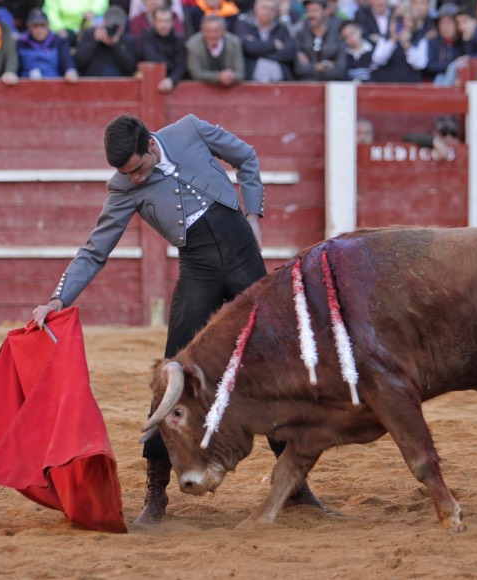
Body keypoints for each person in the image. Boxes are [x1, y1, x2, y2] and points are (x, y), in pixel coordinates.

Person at [30, 114, 324, 525]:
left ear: (151, 145)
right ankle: (156, 491)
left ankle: (295, 487)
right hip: (198, 273)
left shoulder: (190, 130)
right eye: (126, 174)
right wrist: (58, 298)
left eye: (138, 169)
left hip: (245, 261)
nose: (135, 179)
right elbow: (95, 251)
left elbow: (246, 157)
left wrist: (253, 216)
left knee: (271, 366)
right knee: (172, 374)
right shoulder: (123, 187)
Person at [234, 0, 296, 82]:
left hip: (282, 82)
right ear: (255, 8)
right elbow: (248, 48)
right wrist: (274, 45)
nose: (268, 12)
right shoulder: (244, 25)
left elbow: (290, 52)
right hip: (252, 82)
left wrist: (258, 51)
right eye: (264, 8)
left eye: (272, 9)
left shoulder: (281, 27)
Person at [369, 0, 429, 82]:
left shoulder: (420, 39)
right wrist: (393, 40)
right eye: (403, 19)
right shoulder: (386, 37)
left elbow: (421, 64)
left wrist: (407, 45)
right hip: (386, 83)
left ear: (414, 22)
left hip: (410, 84)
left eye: (409, 20)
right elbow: (377, 60)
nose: (406, 23)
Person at [74, 5, 138, 77]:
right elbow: (79, 62)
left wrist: (116, 45)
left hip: (119, 81)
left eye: (116, 28)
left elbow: (131, 67)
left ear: (122, 28)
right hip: (93, 80)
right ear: (103, 23)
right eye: (109, 26)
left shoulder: (128, 40)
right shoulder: (91, 34)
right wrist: (94, 40)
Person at [17, 7, 79, 81]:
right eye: (35, 26)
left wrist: (70, 71)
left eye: (42, 26)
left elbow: (67, 61)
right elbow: (14, 65)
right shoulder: (21, 43)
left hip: (54, 83)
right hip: (26, 84)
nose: (39, 30)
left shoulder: (59, 41)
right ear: (29, 27)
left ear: (48, 26)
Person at [293, 0, 346, 81]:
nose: (311, 14)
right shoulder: (300, 36)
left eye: (315, 10)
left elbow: (340, 70)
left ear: (325, 11)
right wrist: (325, 65)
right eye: (308, 11)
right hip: (307, 85)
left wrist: (311, 68)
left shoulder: (337, 36)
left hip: (332, 85)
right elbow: (298, 69)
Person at [185, 12, 243, 85]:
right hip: (202, 88)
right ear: (202, 30)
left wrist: (231, 76)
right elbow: (195, 73)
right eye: (208, 31)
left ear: (224, 30)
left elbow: (240, 72)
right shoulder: (193, 44)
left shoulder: (234, 43)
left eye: (216, 31)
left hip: (229, 87)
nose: (212, 35)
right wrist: (218, 77)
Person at [140, 6, 186, 92]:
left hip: (174, 82)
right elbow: (151, 57)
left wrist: (171, 80)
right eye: (160, 21)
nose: (163, 25)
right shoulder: (147, 36)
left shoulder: (179, 39)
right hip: (151, 79)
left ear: (172, 22)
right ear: (154, 22)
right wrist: (172, 65)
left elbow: (181, 66)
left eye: (167, 21)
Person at [427, 2, 463, 83]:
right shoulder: (433, 41)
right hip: (435, 83)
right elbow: (430, 66)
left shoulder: (463, 42)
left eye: (449, 22)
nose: (445, 27)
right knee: (440, 77)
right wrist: (452, 65)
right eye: (442, 22)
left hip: (457, 83)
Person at [43, 0, 109, 40]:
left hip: (88, 24)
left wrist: (92, 11)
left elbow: (101, 2)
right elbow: (50, 11)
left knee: (100, 21)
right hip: (64, 28)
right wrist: (58, 28)